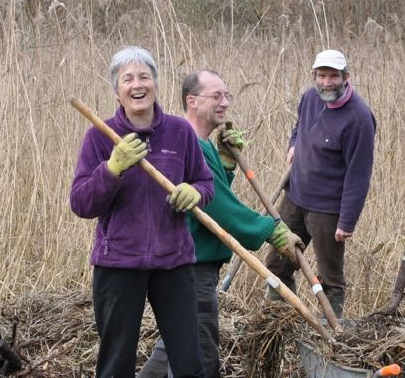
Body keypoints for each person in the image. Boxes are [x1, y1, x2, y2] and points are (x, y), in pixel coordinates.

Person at [138, 70, 300, 377]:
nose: (224, 102)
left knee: (173, 348)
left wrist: (224, 164)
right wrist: (270, 230)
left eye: (227, 95)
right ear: (193, 101)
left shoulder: (202, 143)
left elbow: (208, 193)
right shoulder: (191, 143)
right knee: (199, 356)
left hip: (189, 265)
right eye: (217, 96)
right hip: (191, 267)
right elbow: (218, 207)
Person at [70, 46, 213, 378]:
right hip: (118, 262)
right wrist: (112, 168)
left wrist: (195, 193)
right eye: (127, 79)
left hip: (173, 261)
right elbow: (80, 203)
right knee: (116, 364)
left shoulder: (180, 132)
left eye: (144, 77)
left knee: (190, 362)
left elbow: (205, 183)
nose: (137, 85)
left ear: (156, 83)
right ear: (117, 89)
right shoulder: (99, 136)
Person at [264, 49, 376, 318]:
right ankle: (277, 325)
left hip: (328, 209)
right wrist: (293, 145)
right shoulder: (309, 97)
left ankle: (329, 336)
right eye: (321, 75)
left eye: (333, 76)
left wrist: (347, 220)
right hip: (295, 196)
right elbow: (299, 127)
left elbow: (359, 173)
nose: (327, 82)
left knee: (330, 277)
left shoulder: (359, 117)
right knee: (277, 263)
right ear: (313, 76)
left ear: (346, 77)